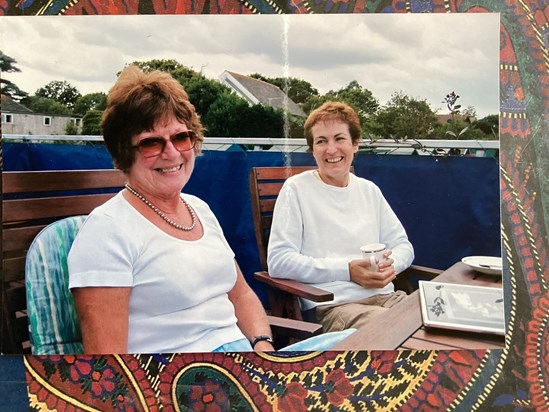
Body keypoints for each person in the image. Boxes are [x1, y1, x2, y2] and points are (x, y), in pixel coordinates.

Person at [67, 66, 277, 354]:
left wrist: (262, 345)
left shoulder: (200, 209)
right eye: (151, 142)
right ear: (123, 153)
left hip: (248, 362)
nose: (172, 152)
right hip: (185, 384)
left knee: (358, 338)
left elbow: (240, 295)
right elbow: (109, 364)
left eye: (181, 137)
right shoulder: (106, 232)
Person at [267, 101, 414, 333]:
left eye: (339, 138)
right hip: (335, 307)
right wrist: (347, 270)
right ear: (312, 149)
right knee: (397, 332)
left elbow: (402, 245)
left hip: (387, 297)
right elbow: (279, 262)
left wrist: (389, 266)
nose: (331, 149)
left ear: (355, 144)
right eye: (321, 141)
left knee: (435, 323)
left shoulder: (369, 190)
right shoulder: (295, 189)